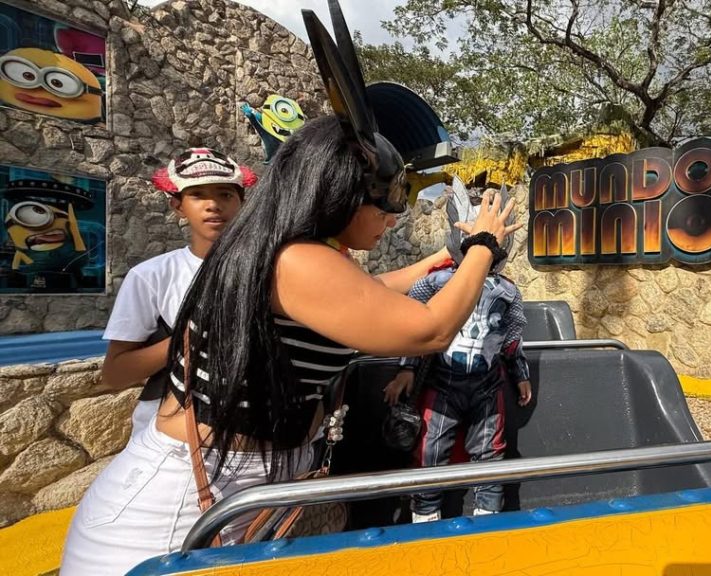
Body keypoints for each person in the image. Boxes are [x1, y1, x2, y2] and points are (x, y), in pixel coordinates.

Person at [60, 5, 520, 574]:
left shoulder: (292, 254)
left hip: (234, 488)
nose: (393, 217)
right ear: (341, 192)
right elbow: (427, 330)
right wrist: (485, 246)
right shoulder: (296, 260)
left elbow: (368, 293)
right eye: (386, 202)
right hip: (174, 509)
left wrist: (448, 257)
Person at [383, 179, 532, 523]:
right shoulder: (436, 282)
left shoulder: (508, 292)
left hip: (487, 384)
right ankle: (424, 520)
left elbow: (512, 336)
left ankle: (487, 519)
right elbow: (415, 326)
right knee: (429, 451)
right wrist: (406, 368)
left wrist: (520, 372)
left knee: (491, 453)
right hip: (443, 382)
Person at [101, 148, 254, 439]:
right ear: (178, 206)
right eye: (197, 195)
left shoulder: (274, 273)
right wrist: (191, 337)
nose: (213, 205)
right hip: (165, 439)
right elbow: (115, 373)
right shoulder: (151, 276)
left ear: (242, 203)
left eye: (225, 194)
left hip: (251, 437)